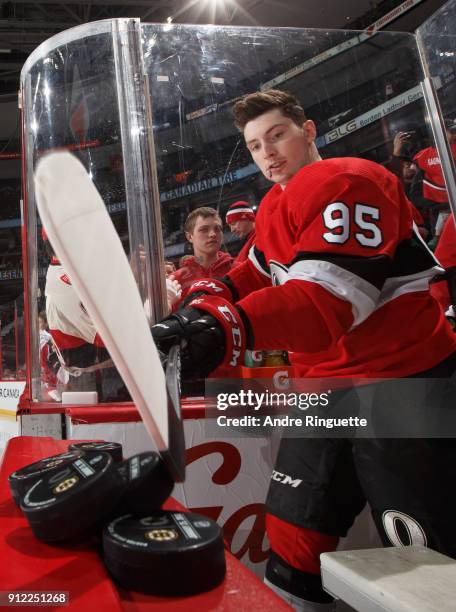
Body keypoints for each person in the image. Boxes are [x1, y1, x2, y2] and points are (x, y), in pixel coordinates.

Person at [152, 89, 456, 611]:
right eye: (254, 146)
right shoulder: (275, 204)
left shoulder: (347, 179)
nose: (267, 153)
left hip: (401, 385)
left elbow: (327, 303)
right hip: (324, 392)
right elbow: (244, 277)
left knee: (423, 560)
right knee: (294, 536)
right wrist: (203, 306)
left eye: (277, 136)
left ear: (308, 130)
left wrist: (226, 327)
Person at [171, 206, 233, 296]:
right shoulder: (176, 281)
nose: (213, 234)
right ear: (189, 237)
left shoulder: (238, 270)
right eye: (204, 230)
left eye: (217, 229)